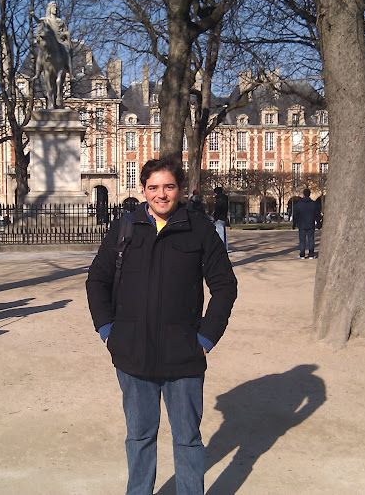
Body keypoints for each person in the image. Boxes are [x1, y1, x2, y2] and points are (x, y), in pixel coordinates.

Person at [86, 158, 238, 495]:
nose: (161, 194)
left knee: (187, 439)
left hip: (183, 355)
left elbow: (225, 285)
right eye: (153, 187)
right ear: (143, 190)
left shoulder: (199, 229)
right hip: (133, 354)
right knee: (139, 437)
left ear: (180, 189)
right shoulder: (124, 227)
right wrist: (107, 330)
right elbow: (97, 280)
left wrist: (206, 337)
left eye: (169, 186)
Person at [292, 188, 320, 259]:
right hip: (311, 223)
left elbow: (295, 215)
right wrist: (318, 223)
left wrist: (294, 224)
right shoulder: (314, 204)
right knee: (311, 239)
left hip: (302, 224)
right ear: (309, 194)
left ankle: (302, 254)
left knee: (302, 240)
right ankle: (311, 254)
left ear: (303, 194)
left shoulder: (298, 204)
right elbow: (317, 215)